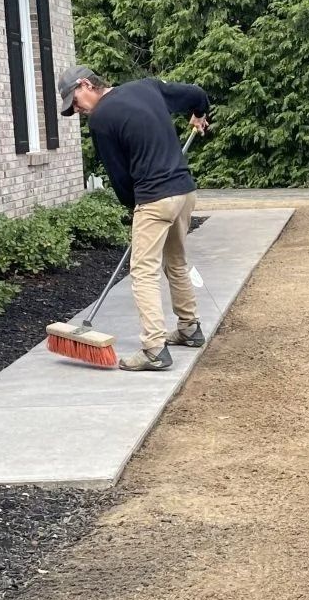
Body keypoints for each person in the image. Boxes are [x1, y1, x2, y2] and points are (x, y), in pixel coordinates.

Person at [58, 66, 212, 372]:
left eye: (74, 101)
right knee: (176, 262)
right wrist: (199, 113)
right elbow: (197, 94)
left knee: (142, 272)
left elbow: (119, 177)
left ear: (86, 84)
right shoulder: (148, 87)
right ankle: (189, 328)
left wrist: (135, 207)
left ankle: (154, 348)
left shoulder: (101, 120)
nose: (77, 110)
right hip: (183, 192)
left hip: (154, 198)